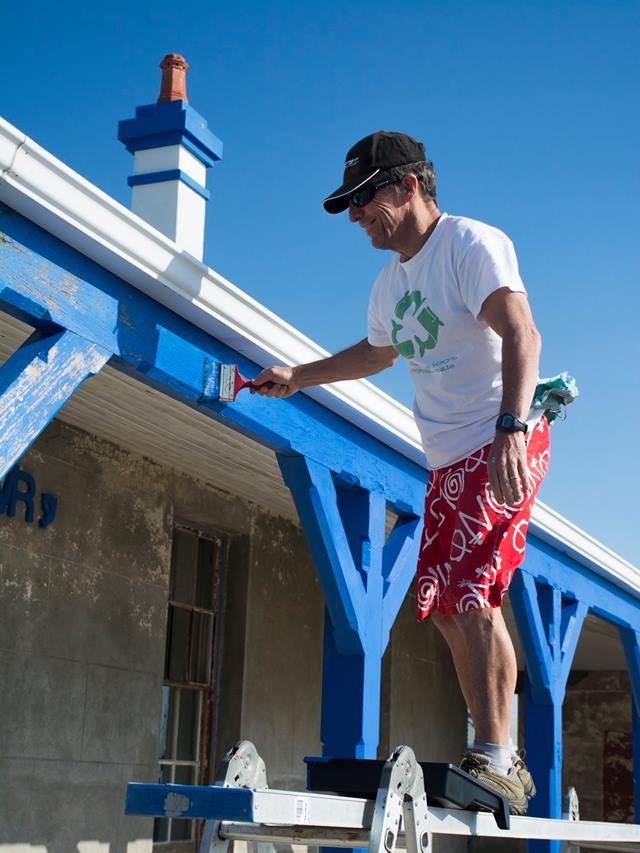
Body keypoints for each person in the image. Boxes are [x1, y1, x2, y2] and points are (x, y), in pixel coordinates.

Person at [252, 131, 550, 814]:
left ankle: (499, 755)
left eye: (363, 199)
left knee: (472, 589)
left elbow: (523, 333)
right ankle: (502, 755)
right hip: (447, 458)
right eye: (349, 207)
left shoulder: (470, 246)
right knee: (443, 601)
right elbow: (376, 353)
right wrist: (300, 376)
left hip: (500, 436)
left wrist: (512, 427)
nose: (357, 217)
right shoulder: (390, 283)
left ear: (409, 184)